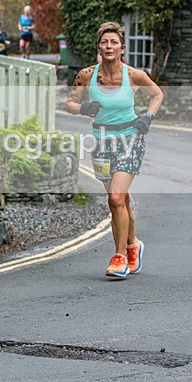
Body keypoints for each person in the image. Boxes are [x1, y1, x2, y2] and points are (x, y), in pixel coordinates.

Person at [66, 22, 163, 278]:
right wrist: (83, 109)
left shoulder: (134, 75)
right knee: (121, 200)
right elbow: (70, 103)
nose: (109, 46)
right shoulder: (87, 75)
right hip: (101, 142)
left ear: (122, 48)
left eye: (114, 43)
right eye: (104, 42)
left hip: (130, 138)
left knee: (116, 199)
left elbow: (158, 94)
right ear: (99, 47)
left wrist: (148, 118)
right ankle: (133, 245)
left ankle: (119, 257)